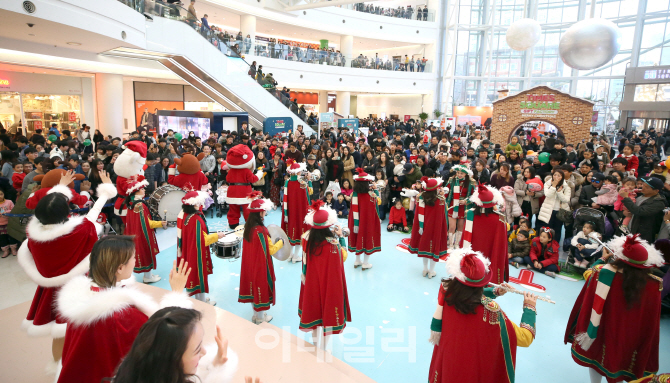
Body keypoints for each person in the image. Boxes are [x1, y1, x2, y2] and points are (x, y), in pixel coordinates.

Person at [55, 237, 192, 383]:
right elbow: (163, 334)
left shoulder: (80, 299)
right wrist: (177, 293)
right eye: (133, 257)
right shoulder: (122, 315)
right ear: (120, 268)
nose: (135, 261)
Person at [17, 170, 116, 367]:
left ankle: (59, 369)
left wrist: (60, 188)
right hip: (80, 287)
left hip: (50, 292)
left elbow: (49, 210)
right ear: (66, 212)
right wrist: (105, 192)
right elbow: (94, 213)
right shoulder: (80, 231)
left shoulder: (34, 238)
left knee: (59, 334)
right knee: (89, 329)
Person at [564, 235, 664, 383]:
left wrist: (603, 259)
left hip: (602, 328)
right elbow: (651, 321)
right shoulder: (655, 286)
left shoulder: (603, 273)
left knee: (595, 357)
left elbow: (589, 275)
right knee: (621, 362)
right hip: (630, 336)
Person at [427, 249, 537, 383]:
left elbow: (467, 292)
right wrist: (529, 308)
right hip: (472, 373)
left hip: (448, 365)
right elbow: (525, 338)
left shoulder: (447, 293)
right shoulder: (492, 313)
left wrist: (495, 291)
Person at [111, 307, 240, 383]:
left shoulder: (133, 371)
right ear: (172, 360)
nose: (205, 352)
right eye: (196, 350)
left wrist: (216, 365)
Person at [299, 200, 351, 350]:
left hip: (311, 283)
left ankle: (315, 345)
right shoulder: (333, 245)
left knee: (314, 313)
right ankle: (324, 348)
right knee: (327, 314)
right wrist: (341, 237)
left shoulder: (305, 238)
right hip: (329, 285)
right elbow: (343, 257)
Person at [239, 192, 283, 324]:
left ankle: (255, 315)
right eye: (264, 211)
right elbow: (271, 250)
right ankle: (260, 318)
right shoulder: (261, 231)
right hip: (260, 265)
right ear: (260, 213)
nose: (265, 213)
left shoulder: (248, 227)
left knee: (252, 287)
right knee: (260, 287)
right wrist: (281, 242)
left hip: (249, 264)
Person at [177, 191, 225, 304]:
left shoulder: (185, 215)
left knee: (196, 276)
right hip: (196, 253)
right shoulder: (196, 219)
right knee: (199, 275)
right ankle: (202, 302)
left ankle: (200, 300)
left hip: (189, 251)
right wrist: (217, 236)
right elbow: (202, 240)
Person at [462, 183, 509, 284]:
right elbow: (501, 246)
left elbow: (465, 239)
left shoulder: (471, 214)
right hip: (490, 256)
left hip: (472, 256)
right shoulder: (499, 219)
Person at [124, 179, 167, 284]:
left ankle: (149, 275)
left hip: (136, 234)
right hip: (142, 235)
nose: (144, 190)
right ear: (136, 191)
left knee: (143, 251)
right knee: (146, 251)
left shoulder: (132, 203)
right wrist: (161, 223)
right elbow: (148, 224)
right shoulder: (140, 206)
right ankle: (148, 277)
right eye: (142, 189)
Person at [408, 177, 448, 278]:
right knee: (434, 247)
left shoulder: (420, 197)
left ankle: (425, 269)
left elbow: (418, 215)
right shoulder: (441, 200)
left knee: (424, 245)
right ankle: (431, 271)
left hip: (423, 227)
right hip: (435, 228)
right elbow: (443, 217)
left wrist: (420, 226)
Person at [348, 168, 381, 269]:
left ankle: (357, 260)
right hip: (367, 221)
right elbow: (378, 202)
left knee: (357, 237)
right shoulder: (371, 195)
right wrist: (375, 189)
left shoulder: (353, 194)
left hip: (354, 220)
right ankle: (365, 263)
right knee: (367, 238)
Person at [281, 160, 312, 263]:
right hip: (300, 211)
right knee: (299, 231)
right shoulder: (302, 183)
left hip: (290, 211)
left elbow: (285, 198)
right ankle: (295, 256)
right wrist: (310, 180)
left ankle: (290, 255)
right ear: (299, 171)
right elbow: (309, 194)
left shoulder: (287, 182)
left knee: (291, 231)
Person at [620, 176, 666, 243]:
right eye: (643, 185)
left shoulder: (658, 203)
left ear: (656, 191)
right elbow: (621, 207)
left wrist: (626, 198)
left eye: (647, 187)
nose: (643, 188)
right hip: (626, 230)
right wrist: (623, 213)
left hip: (641, 235)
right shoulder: (637, 194)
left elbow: (639, 211)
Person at [444, 164, 476, 249]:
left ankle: (457, 244)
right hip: (452, 205)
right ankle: (450, 244)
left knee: (460, 227)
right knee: (452, 226)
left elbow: (474, 195)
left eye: (462, 173)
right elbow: (446, 191)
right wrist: (442, 192)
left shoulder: (471, 182)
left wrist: (466, 201)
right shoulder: (452, 180)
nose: (459, 174)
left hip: (463, 207)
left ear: (466, 174)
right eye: (458, 172)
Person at [537, 169, 570, 237]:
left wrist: (559, 192)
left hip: (559, 211)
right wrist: (553, 186)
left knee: (557, 230)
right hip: (548, 210)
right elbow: (548, 195)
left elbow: (566, 200)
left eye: (559, 175)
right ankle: (546, 245)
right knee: (547, 230)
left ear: (562, 177)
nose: (556, 177)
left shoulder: (566, 187)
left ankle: (555, 246)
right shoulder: (547, 184)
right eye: (555, 175)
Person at [0, 189, 18, 258]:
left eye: (1, 194)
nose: (0, 196)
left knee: (12, 236)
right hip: (1, 224)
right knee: (3, 238)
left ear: (4, 194)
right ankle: (6, 250)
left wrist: (7, 212)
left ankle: (13, 249)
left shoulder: (9, 202)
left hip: (10, 223)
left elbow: (14, 210)